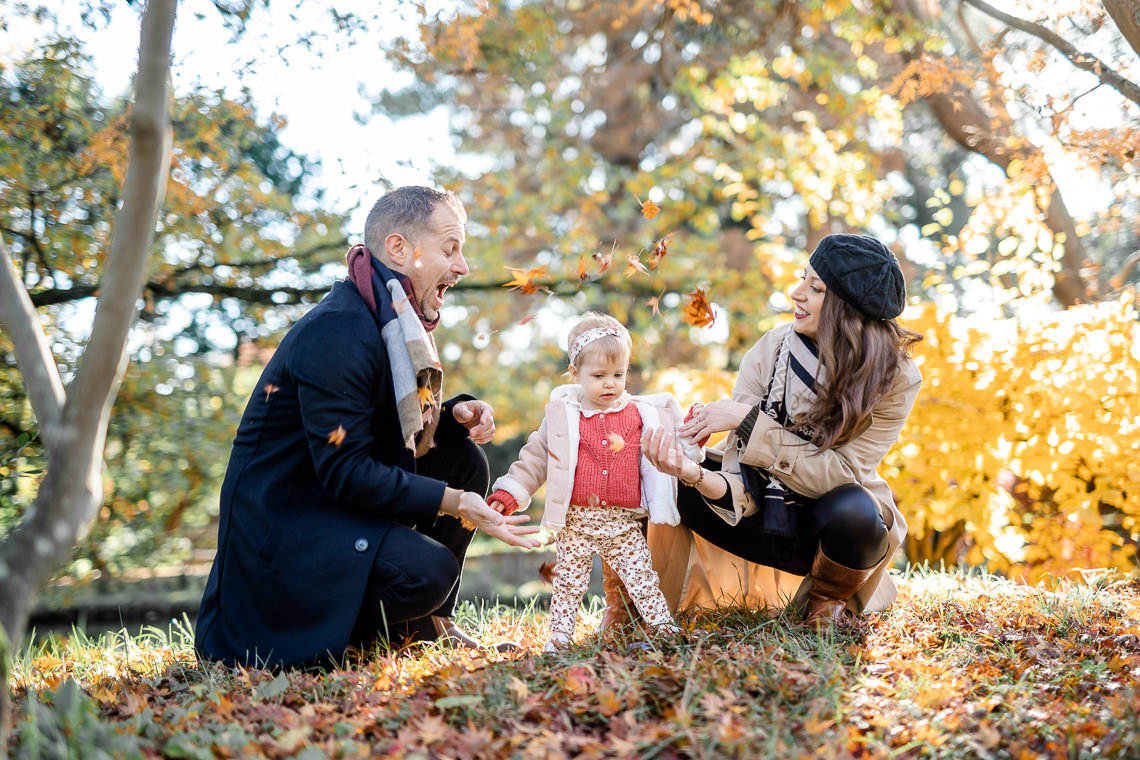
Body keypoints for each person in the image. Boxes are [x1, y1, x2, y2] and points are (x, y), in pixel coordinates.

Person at [195, 186, 540, 669]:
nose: (463, 267)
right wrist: (455, 502)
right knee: (428, 571)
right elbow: (346, 471)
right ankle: (328, 632)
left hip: (329, 511)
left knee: (462, 459)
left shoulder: (386, 320)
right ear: (399, 249)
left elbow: (379, 427)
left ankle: (426, 627)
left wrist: (454, 414)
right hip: (285, 539)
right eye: (450, 248)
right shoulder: (337, 330)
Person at [640, 233, 922, 628]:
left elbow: (840, 475)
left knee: (856, 512)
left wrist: (749, 422)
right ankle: (634, 609)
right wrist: (692, 471)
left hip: (824, 533)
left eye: (815, 288)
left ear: (848, 308)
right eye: (801, 279)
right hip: (754, 513)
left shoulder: (896, 378)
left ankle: (825, 606)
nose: (796, 293)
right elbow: (741, 476)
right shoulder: (773, 348)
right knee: (657, 478)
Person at [486, 313, 703, 651]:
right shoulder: (564, 416)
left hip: (622, 522)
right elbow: (536, 458)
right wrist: (510, 492)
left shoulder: (639, 414)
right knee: (569, 584)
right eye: (598, 375)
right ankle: (558, 640)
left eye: (619, 374)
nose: (610, 384)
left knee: (642, 578)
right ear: (576, 374)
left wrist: (690, 435)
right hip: (576, 521)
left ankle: (664, 631)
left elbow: (670, 448)